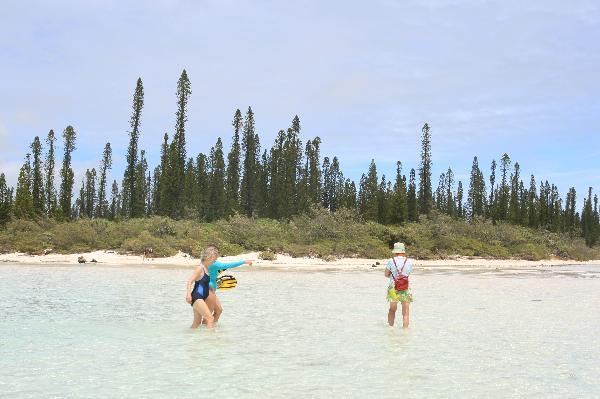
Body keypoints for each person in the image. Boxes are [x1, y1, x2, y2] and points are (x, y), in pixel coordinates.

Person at [185, 246, 252, 328]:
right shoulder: (203, 267)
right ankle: (210, 337)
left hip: (205, 293)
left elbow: (204, 280)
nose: (215, 260)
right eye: (215, 258)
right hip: (199, 295)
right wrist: (188, 295)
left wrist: (210, 286)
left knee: (198, 322)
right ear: (211, 257)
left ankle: (194, 337)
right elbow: (190, 281)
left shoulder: (206, 267)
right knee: (209, 318)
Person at [385, 242, 413, 328]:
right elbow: (408, 274)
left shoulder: (391, 261)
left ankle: (390, 330)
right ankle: (405, 333)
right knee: (406, 312)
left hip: (393, 288)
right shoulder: (409, 261)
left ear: (395, 251)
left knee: (392, 310)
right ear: (403, 251)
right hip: (405, 287)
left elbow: (386, 274)